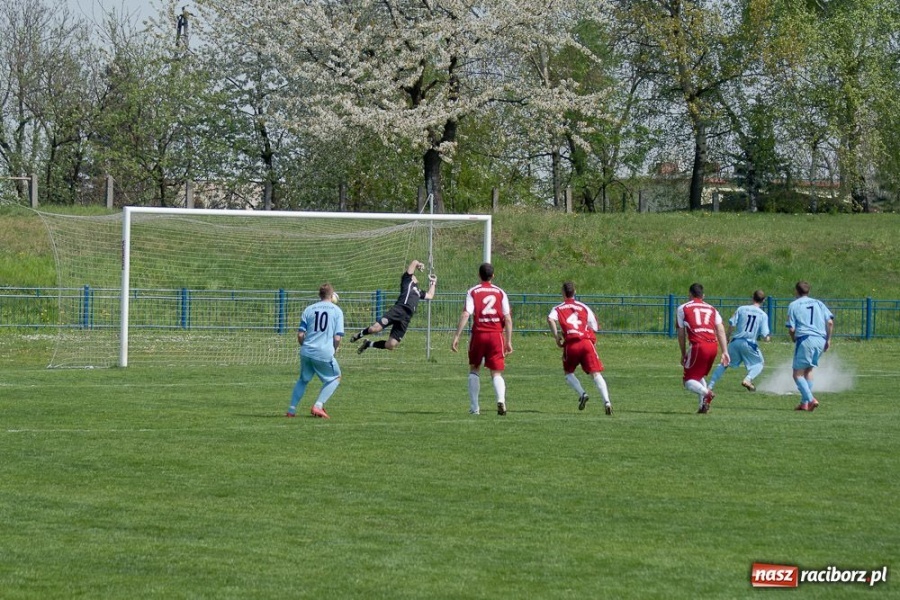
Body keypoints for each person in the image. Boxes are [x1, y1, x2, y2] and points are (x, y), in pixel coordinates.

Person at [451, 262, 513, 416]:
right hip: (496, 335)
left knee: (474, 369)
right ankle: (501, 400)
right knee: (496, 373)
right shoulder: (500, 292)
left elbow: (466, 314)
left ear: (479, 275)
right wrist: (508, 340)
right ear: (493, 276)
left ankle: (475, 407)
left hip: (479, 334)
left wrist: (457, 336)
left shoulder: (473, 291)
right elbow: (508, 318)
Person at [547, 282, 613, 415]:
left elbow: (550, 319)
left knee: (568, 372)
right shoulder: (583, 306)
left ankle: (582, 393)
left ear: (563, 293)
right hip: (586, 343)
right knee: (596, 373)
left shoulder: (558, 308)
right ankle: (607, 401)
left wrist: (556, 336)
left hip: (571, 344)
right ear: (574, 291)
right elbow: (594, 326)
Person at [351, 260, 436, 353]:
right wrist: (418, 264)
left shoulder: (419, 292)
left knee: (391, 345)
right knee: (374, 329)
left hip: (406, 318)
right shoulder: (407, 280)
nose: (415, 276)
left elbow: (430, 295)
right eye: (413, 274)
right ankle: (358, 335)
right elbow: (414, 262)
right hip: (398, 310)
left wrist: (433, 283)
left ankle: (368, 344)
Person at [286, 284, 344, 419]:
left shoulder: (309, 309)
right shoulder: (337, 311)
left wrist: (305, 346)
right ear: (332, 295)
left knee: (303, 380)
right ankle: (318, 406)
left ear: (319, 295)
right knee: (335, 377)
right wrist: (333, 350)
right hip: (323, 352)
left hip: (306, 351)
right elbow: (337, 337)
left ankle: (291, 410)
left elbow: (300, 335)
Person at [677, 283, 730, 414]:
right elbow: (721, 330)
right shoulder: (712, 309)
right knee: (698, 375)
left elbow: (681, 333)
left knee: (688, 380)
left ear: (689, 294)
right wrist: (725, 351)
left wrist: (683, 353)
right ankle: (702, 406)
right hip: (713, 346)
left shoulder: (683, 308)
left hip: (698, 345)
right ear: (703, 295)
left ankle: (707, 393)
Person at [708, 290, 771, 393]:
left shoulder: (741, 309)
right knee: (759, 364)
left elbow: (732, 324)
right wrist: (768, 338)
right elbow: (765, 335)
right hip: (749, 343)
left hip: (735, 341)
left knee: (724, 363)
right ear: (764, 300)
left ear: (752, 297)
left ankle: (710, 386)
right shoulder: (763, 315)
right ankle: (748, 379)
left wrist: (727, 338)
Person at [786, 281, 834, 412]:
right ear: (809, 291)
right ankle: (804, 403)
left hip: (805, 339)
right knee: (809, 371)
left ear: (796, 291)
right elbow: (830, 322)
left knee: (797, 374)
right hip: (820, 339)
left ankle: (811, 399)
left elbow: (791, 328)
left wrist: (793, 338)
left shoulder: (793, 305)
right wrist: (828, 340)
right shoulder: (818, 303)